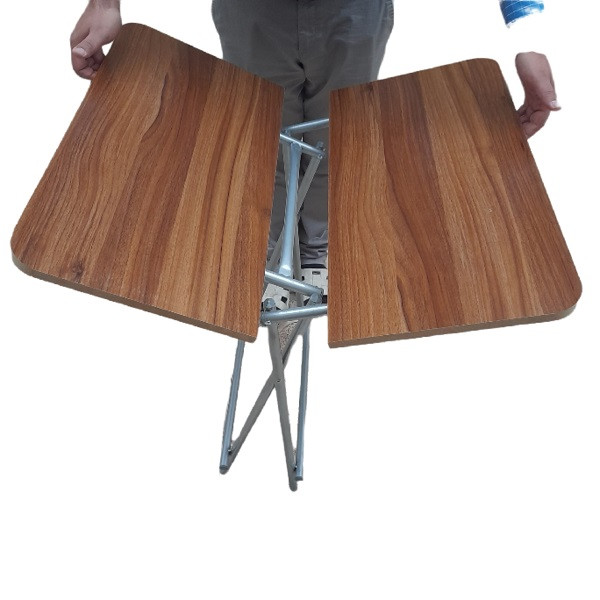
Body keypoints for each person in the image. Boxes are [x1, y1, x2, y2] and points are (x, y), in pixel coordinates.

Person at [69, 0, 560, 301]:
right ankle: (271, 248)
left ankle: (317, 248)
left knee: (336, 136)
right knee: (264, 132)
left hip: (353, 10)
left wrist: (529, 35)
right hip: (252, 10)